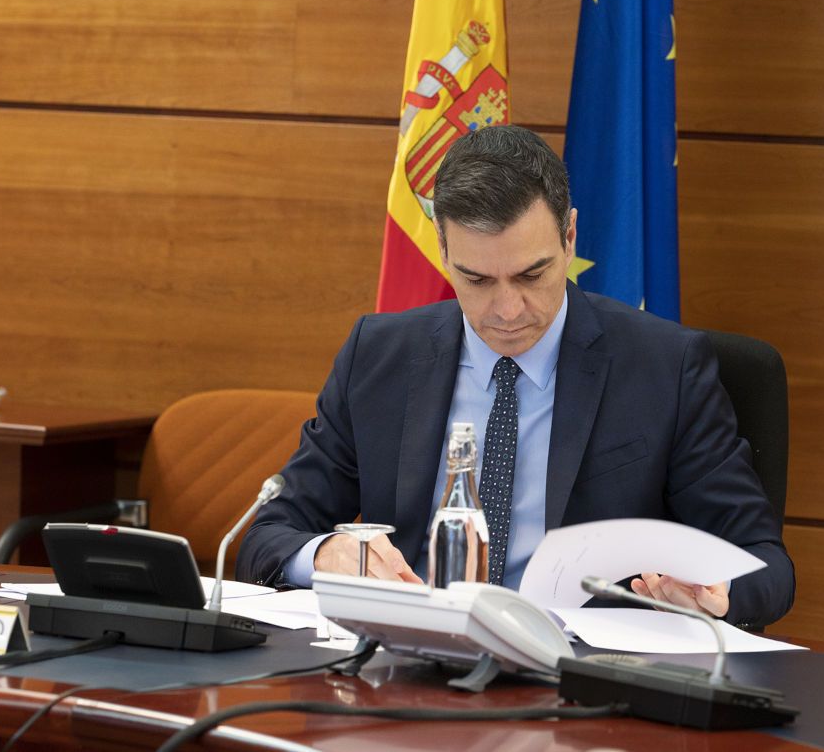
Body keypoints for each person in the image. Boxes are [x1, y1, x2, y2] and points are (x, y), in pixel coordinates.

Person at [236, 124, 794, 627]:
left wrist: (717, 594)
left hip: (580, 675)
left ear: (569, 237)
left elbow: (765, 563)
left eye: (532, 275)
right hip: (409, 662)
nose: (507, 311)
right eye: (477, 280)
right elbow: (267, 536)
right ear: (443, 250)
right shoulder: (380, 356)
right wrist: (326, 554)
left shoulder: (664, 367)